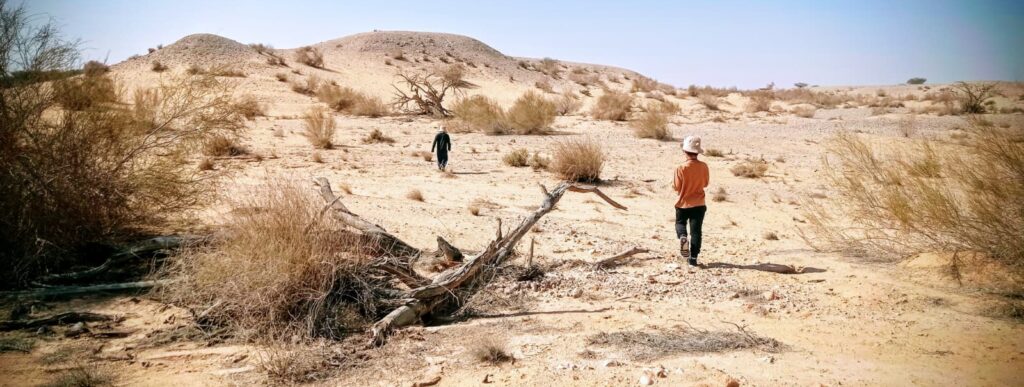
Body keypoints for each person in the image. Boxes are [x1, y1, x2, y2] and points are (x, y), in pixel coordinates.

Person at [673, 135, 709, 266]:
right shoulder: (704, 166)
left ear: (685, 151)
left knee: (680, 224)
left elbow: (676, 186)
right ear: (697, 152)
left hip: (683, 203)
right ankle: (693, 259)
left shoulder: (681, 168)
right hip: (699, 204)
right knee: (696, 232)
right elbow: (705, 184)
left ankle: (683, 237)